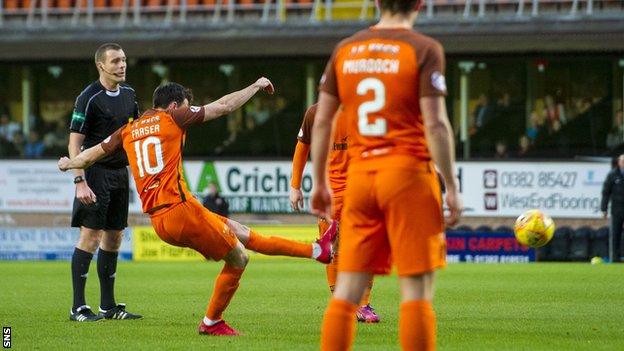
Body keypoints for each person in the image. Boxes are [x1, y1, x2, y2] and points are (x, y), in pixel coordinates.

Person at [59, 80, 336, 336]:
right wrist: (255, 85)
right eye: (184, 105)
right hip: (180, 210)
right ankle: (211, 322)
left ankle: (316, 250)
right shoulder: (173, 117)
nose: (185, 109)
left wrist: (69, 164)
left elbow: (93, 153)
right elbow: (224, 106)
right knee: (240, 257)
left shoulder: (128, 130)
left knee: (239, 231)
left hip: (160, 219)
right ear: (173, 105)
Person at [309, 0, 463, 349]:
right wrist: (451, 187)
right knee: (416, 289)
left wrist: (318, 181)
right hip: (408, 175)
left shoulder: (345, 49)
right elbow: (437, 124)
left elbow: (321, 121)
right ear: (420, 4)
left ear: (377, 2)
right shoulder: (424, 48)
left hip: (360, 179)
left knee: (347, 288)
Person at [67, 43, 141, 322]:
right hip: (95, 173)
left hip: (120, 173)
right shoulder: (88, 97)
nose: (122, 65)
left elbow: (133, 135)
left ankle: (108, 306)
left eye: (123, 60)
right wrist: (79, 180)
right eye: (115, 61)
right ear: (101, 65)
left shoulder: (131, 94)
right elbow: (75, 142)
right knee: (91, 236)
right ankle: (78, 308)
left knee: (115, 237)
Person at [289, 103, 379, 323]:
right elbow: (302, 147)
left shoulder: (364, 108)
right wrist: (295, 186)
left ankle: (362, 304)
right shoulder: (315, 112)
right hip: (331, 194)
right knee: (334, 250)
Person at [601, 153, 624, 263]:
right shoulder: (612, 175)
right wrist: (604, 209)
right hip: (617, 210)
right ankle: (615, 258)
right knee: (615, 234)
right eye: (622, 161)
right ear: (619, 162)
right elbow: (606, 193)